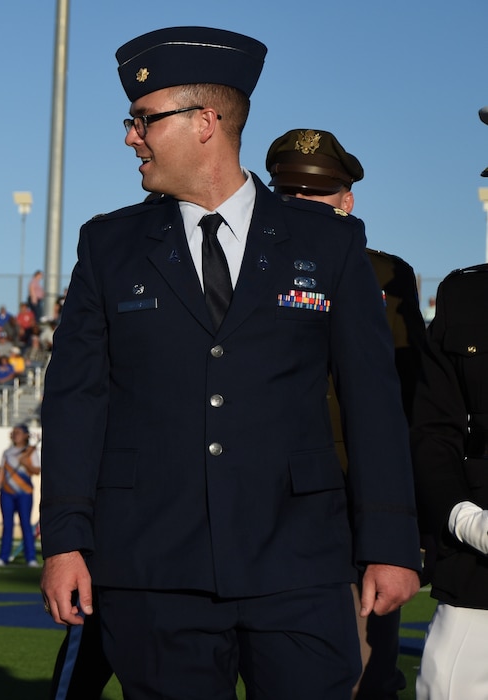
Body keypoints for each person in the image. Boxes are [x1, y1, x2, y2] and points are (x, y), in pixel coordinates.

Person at [38, 27, 420, 700]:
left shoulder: (328, 242)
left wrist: (390, 541)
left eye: (144, 119)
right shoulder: (109, 245)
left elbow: (372, 399)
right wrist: (64, 541)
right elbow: (76, 401)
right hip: (153, 568)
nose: (132, 136)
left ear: (206, 122)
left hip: (298, 564)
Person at [266, 128, 427, 699]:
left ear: (347, 199)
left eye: (320, 192)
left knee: (366, 670)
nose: (306, 204)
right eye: (292, 193)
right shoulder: (247, 271)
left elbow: (406, 396)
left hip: (358, 496)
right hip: (271, 498)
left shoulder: (386, 276)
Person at [411, 105, 488, 700]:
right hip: (479, 574)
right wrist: (463, 517)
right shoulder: (464, 297)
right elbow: (434, 430)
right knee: (447, 685)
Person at [0, 423, 40, 567]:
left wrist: (26, 464)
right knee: (7, 525)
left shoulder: (30, 451)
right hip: (7, 493)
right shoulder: (7, 452)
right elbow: (1, 473)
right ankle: (3, 557)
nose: (15, 435)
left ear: (25, 435)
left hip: (25, 493)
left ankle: (31, 558)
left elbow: (36, 470)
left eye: (18, 432)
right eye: (14, 432)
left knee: (25, 525)